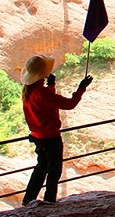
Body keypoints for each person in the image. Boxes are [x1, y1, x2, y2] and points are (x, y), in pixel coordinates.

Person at [21, 55, 92, 206]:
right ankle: (49, 201)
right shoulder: (42, 93)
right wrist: (81, 88)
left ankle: (28, 199)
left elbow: (46, 103)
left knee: (41, 168)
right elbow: (69, 104)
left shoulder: (29, 91)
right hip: (50, 137)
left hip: (38, 136)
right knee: (54, 171)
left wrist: (51, 86)